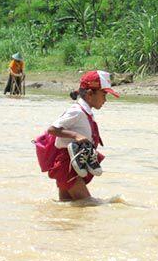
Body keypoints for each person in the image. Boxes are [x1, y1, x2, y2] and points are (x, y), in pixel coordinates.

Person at [36, 70, 119, 201]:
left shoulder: (85, 111)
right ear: (90, 94)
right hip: (67, 165)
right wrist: (75, 136)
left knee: (67, 206)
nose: (105, 100)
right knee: (89, 204)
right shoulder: (77, 111)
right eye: (104, 95)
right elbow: (52, 129)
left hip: (71, 165)